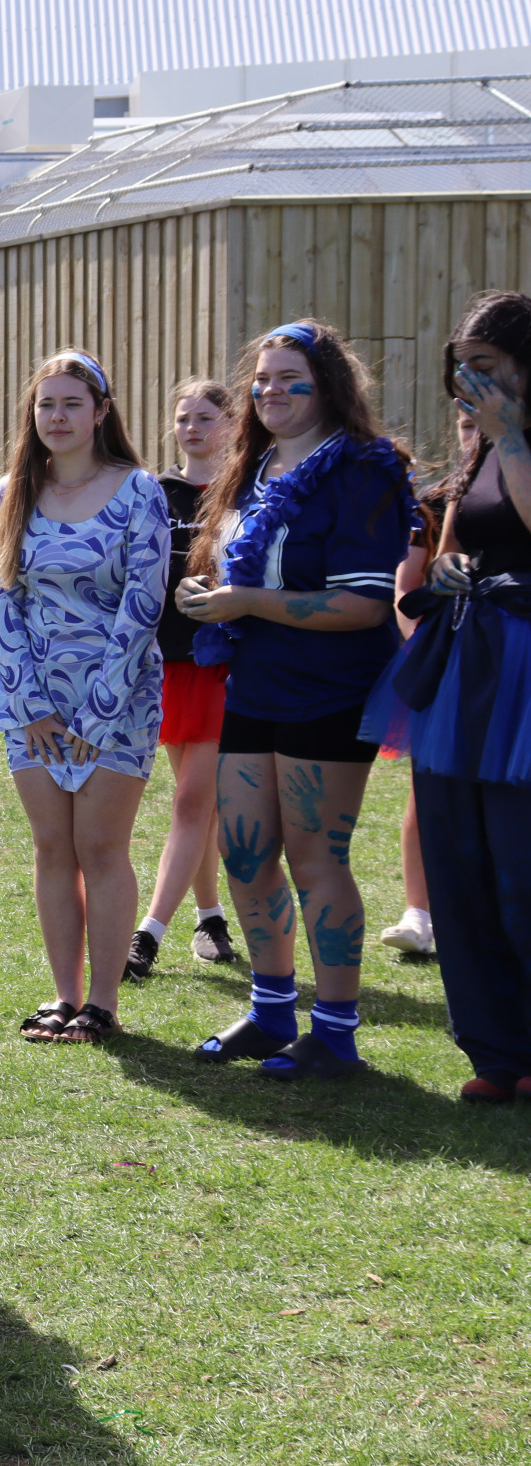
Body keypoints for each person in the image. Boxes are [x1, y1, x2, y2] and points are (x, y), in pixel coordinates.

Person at [178, 320, 415, 1079]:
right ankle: (271, 1012)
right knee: (245, 854)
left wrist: (246, 601)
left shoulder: (366, 469)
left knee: (315, 858)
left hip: (333, 689)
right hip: (256, 685)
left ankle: (336, 1033)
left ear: (329, 388)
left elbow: (364, 606)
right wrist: (206, 593)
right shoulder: (250, 467)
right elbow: (239, 571)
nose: (270, 391)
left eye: (290, 379)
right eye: (261, 379)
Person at [361, 291, 531, 1102]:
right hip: (466, 666)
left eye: (486, 366)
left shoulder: (509, 440)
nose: (470, 384)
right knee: (458, 861)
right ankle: (496, 1055)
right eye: (462, 369)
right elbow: (445, 552)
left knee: (520, 863)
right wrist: (448, 568)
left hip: (524, 675)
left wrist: (513, 437)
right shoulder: (478, 450)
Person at [0, 352, 168, 1044]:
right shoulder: (9, 496)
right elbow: (0, 604)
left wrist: (98, 714)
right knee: (51, 848)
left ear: (101, 412)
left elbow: (142, 608)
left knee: (100, 846)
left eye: (71, 403)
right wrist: (28, 704)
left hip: (115, 706)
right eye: (45, 404)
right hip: (32, 708)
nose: (56, 416)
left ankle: (102, 1003)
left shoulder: (139, 492)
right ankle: (63, 996)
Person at [127, 379, 239, 980]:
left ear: (232, 424)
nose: (192, 427)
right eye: (183, 418)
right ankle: (210, 918)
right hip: (166, 665)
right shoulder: (154, 492)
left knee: (193, 800)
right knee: (197, 806)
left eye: (205, 417)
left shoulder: (246, 489)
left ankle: (147, 934)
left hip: (223, 665)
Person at [369, 412, 469, 960]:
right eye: (463, 425)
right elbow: (405, 588)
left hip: (508, 664)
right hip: (442, 661)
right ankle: (419, 912)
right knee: (425, 785)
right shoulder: (430, 504)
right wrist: (425, 652)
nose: (473, 434)